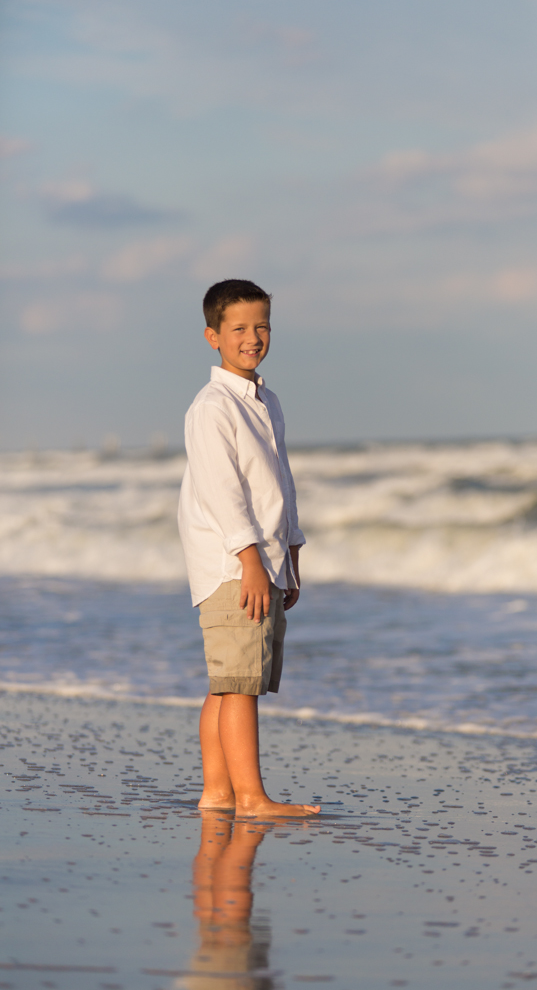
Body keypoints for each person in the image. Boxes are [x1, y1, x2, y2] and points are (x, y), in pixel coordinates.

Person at [178, 278, 320, 817]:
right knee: (240, 686)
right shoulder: (212, 406)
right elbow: (222, 491)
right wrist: (250, 560)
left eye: (261, 326)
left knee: (228, 684)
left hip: (264, 559)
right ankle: (252, 798)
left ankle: (218, 793)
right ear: (213, 336)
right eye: (239, 328)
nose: (252, 337)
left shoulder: (266, 401)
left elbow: (278, 481)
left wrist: (293, 548)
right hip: (234, 562)